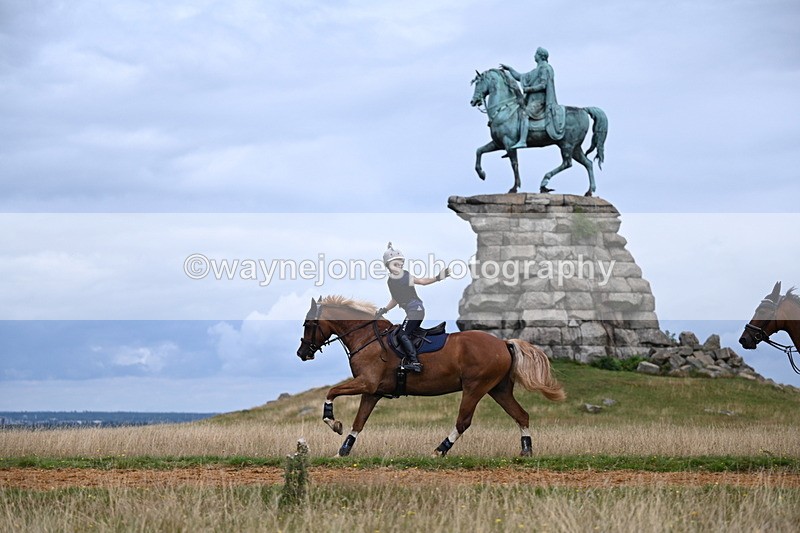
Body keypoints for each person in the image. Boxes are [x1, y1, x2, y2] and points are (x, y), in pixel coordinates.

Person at [375, 243, 450, 373]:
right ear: (388, 266)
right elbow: (395, 299)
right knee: (400, 333)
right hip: (411, 311)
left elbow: (422, 281)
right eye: (395, 264)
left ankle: (415, 362)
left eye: (400, 263)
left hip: (416, 310)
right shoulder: (390, 281)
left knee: (403, 334)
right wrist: (384, 310)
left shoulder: (405, 276)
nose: (399, 266)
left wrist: (438, 278)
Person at [500, 46, 565, 149]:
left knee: (524, 113)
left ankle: (522, 141)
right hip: (532, 101)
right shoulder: (536, 70)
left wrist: (529, 89)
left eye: (536, 54)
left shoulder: (545, 68)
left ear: (540, 56)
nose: (534, 56)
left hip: (540, 101)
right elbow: (520, 76)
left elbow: (543, 85)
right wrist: (510, 69)